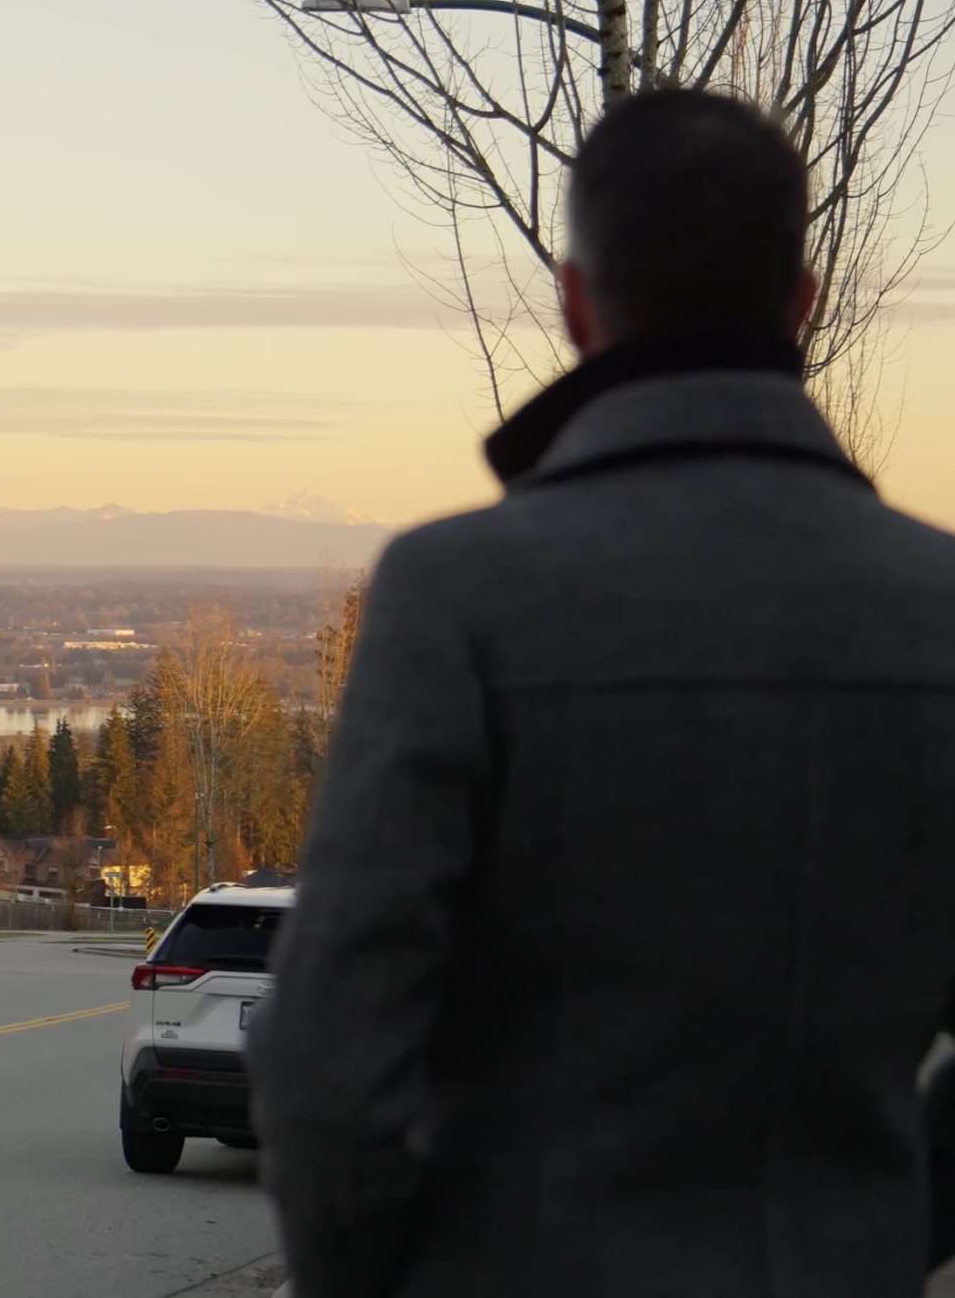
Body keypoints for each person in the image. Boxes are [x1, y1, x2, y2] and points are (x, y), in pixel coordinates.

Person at [251, 88, 955, 1297]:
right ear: (803, 301)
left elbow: (327, 1061)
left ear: (574, 302)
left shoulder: (456, 594)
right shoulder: (935, 609)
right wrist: (880, 1228)